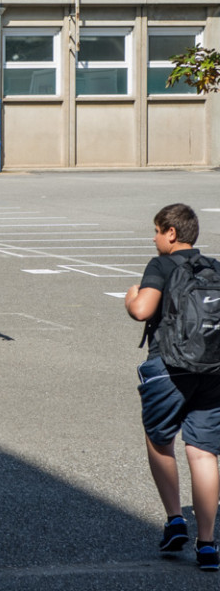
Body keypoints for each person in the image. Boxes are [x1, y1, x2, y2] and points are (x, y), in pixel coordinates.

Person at [125, 203, 220, 571]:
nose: (153, 238)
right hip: (213, 368)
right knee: (203, 452)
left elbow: (143, 311)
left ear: (172, 234)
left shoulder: (162, 265)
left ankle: (175, 519)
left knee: (160, 440)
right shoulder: (214, 267)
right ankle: (208, 544)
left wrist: (131, 295)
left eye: (156, 231)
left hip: (169, 367)